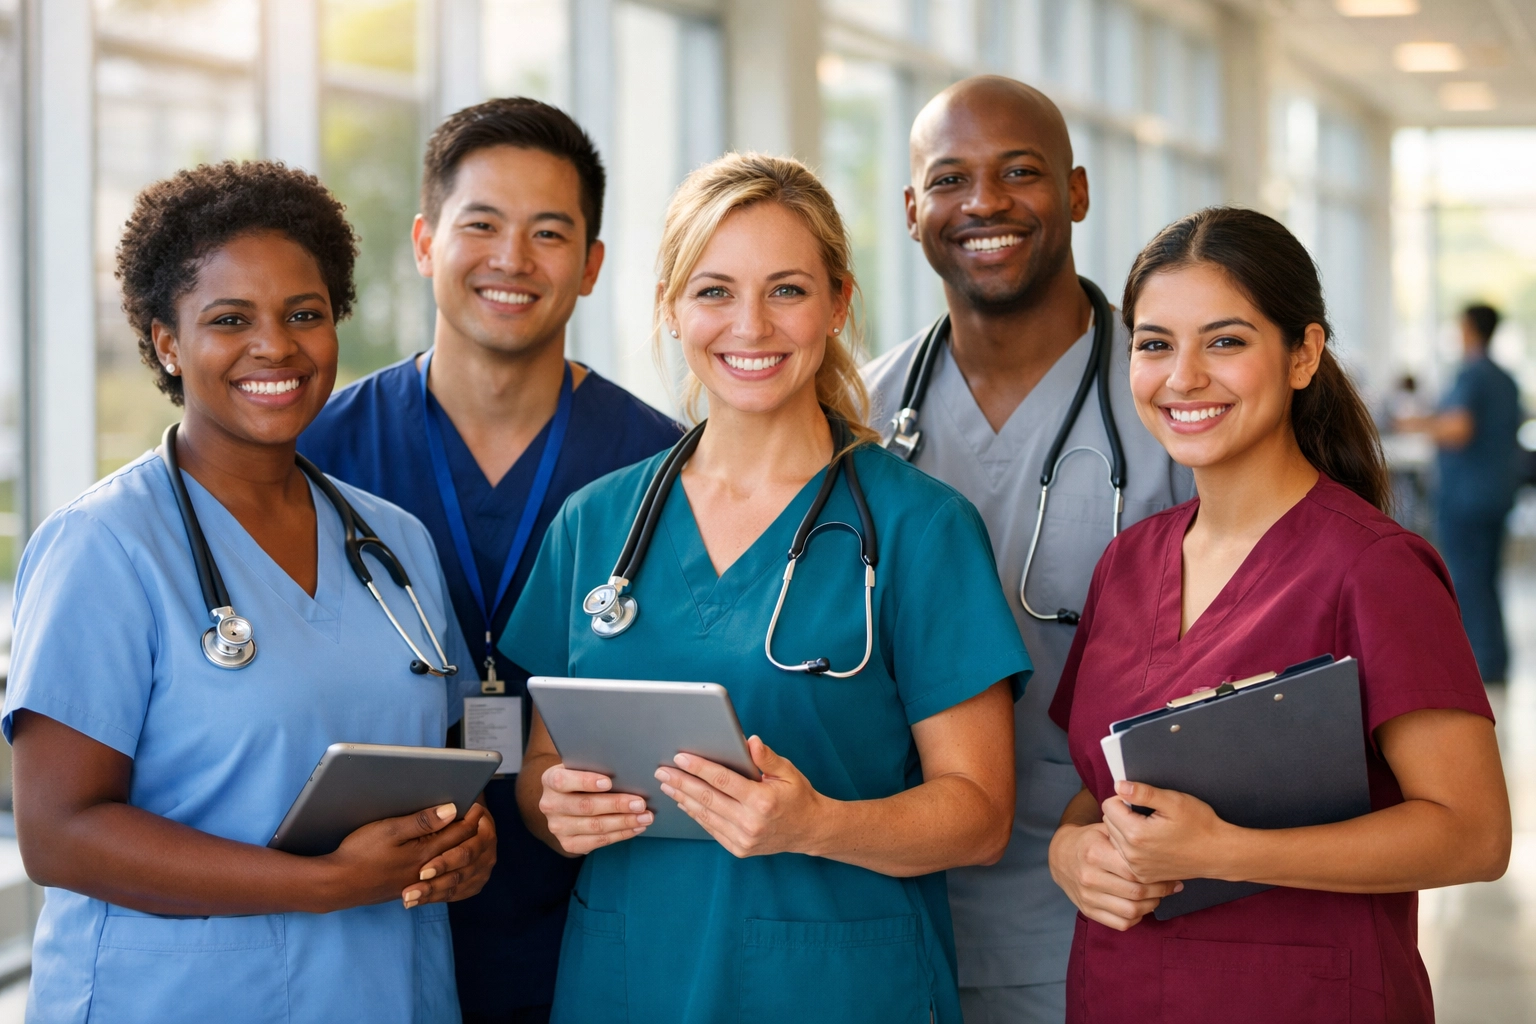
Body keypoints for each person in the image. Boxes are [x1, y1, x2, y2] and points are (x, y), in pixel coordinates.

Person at [503, 153, 1030, 1024]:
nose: (750, 326)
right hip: (631, 978)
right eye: (714, 291)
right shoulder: (596, 524)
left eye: (787, 290)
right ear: (671, 307)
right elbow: (541, 771)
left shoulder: (920, 529)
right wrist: (554, 806)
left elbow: (980, 817)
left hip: (836, 989)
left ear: (838, 303)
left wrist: (814, 825)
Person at [4, 161, 493, 1023]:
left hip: (385, 991)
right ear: (166, 342)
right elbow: (59, 834)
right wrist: (321, 885)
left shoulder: (395, 543)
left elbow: (450, 756)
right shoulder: (105, 547)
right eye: (230, 319)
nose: (276, 347)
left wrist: (466, 842)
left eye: (304, 314)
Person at [1046, 206, 1511, 1023]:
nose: (1183, 377)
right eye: (1154, 345)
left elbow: (1473, 835)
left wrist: (1228, 851)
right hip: (1121, 989)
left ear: (1304, 354)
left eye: (1225, 341)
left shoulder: (1372, 569)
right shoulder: (1127, 564)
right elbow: (1105, 786)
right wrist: (1068, 849)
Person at [300, 98, 681, 1023]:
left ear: (591, 265)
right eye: (481, 225)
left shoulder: (663, 466)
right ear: (425, 242)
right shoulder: (320, 453)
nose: (512, 258)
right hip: (374, 910)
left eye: (549, 233)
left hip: (599, 913)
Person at [862, 75, 1192, 1022]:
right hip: (890, 898)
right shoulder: (857, 417)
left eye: (1019, 172)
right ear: (913, 210)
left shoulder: (1175, 403)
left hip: (1116, 901)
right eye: (950, 179)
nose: (985, 203)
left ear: (1076, 193)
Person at [1398, 304, 1523, 683]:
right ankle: (1494, 661)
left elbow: (1459, 429)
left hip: (1468, 496)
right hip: (1498, 491)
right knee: (1488, 578)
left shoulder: (1472, 374)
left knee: (1469, 580)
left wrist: (1415, 424)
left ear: (1468, 329)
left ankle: (1478, 666)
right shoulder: (1506, 379)